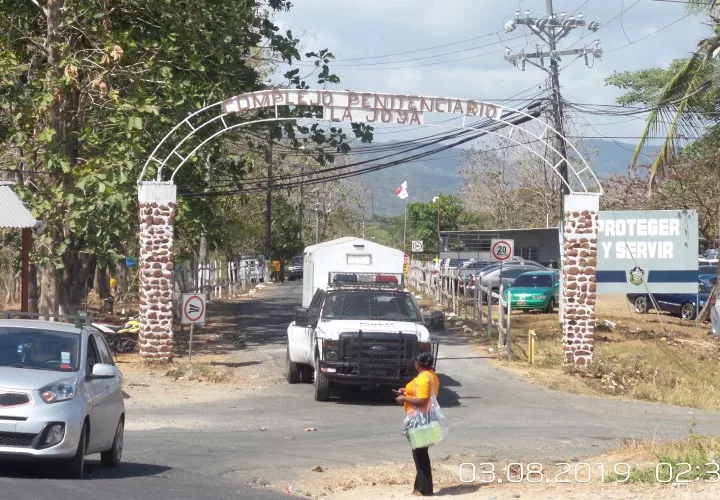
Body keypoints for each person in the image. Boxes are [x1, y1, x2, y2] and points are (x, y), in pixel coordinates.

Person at [395, 352, 440, 496]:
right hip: (426, 417)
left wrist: (404, 399)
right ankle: (419, 487)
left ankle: (425, 490)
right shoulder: (431, 375)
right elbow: (420, 393)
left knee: (420, 454)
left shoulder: (423, 379)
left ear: (417, 364)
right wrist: (406, 392)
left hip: (420, 419)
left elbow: (422, 400)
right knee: (420, 453)